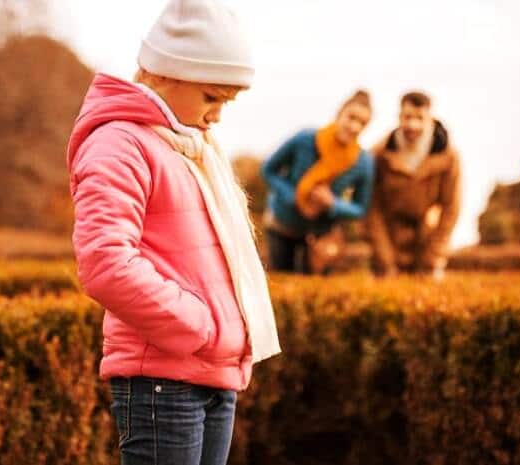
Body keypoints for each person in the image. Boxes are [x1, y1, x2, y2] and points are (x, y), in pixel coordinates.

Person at [65, 1, 281, 464]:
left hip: (211, 373)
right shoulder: (119, 143)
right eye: (211, 97)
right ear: (166, 73)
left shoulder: (187, 146)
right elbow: (105, 262)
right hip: (163, 380)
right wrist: (200, 325)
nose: (218, 116)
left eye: (226, 101)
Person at [260, 91, 374, 274]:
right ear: (339, 114)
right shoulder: (304, 139)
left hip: (321, 235)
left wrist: (333, 204)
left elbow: (360, 208)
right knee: (282, 282)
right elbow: (268, 169)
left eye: (362, 123)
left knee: (315, 288)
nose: (354, 126)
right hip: (282, 224)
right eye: (351, 117)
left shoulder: (363, 162)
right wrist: (292, 196)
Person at [366, 91, 461, 278]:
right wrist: (384, 257)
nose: (412, 124)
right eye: (407, 117)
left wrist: (433, 256)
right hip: (389, 240)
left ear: (430, 119)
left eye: (419, 118)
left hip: (427, 239)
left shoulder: (449, 155)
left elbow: (451, 208)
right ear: (399, 117)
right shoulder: (379, 153)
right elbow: (372, 208)